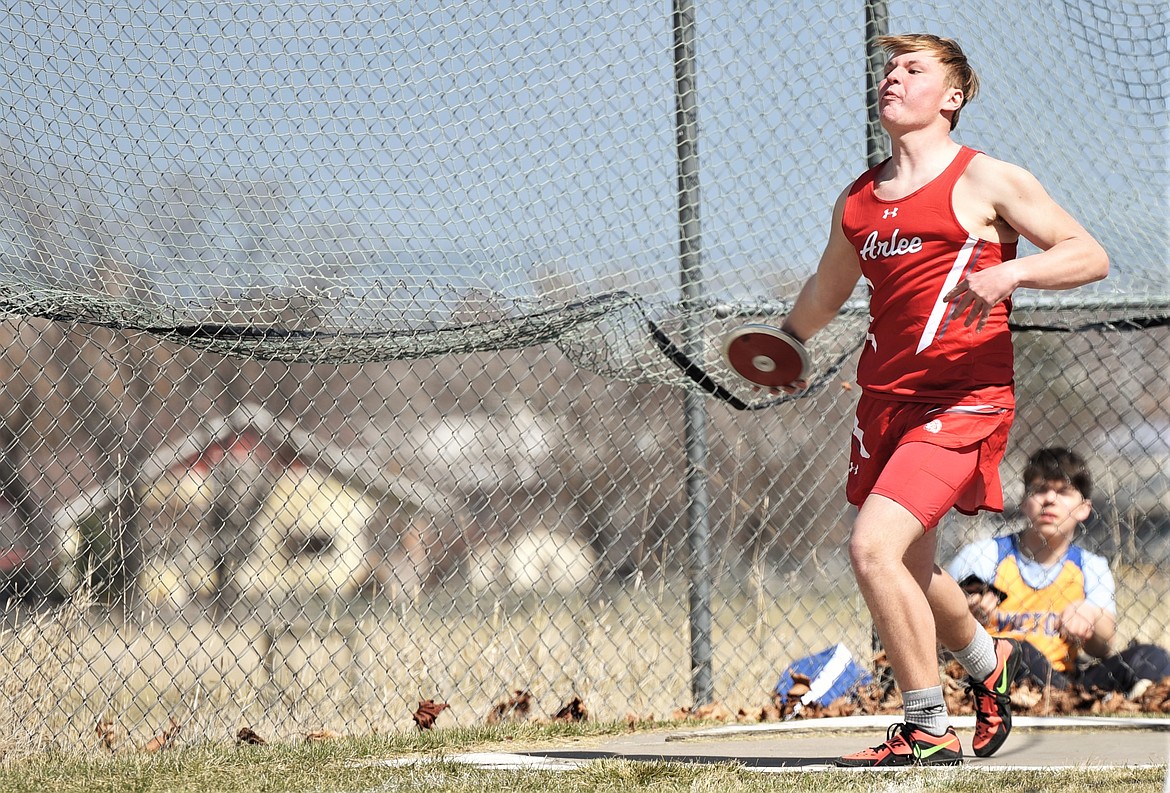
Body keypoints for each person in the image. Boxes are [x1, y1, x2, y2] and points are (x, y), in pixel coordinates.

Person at [776, 34, 1109, 766]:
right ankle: (992, 667)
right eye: (888, 70)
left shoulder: (988, 179)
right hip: (884, 405)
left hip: (964, 398)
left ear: (951, 97)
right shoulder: (859, 200)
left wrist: (1008, 278)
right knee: (914, 572)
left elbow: (1089, 253)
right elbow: (828, 289)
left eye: (913, 70)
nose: (893, 78)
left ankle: (928, 725)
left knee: (871, 548)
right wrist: (786, 344)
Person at [948, 447, 1170, 695]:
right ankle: (1071, 697)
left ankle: (1093, 696)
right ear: (1024, 502)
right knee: (1020, 651)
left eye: (1064, 492)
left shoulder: (1090, 566)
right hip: (997, 675)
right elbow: (937, 635)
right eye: (1040, 490)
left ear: (1084, 508)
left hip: (1066, 678)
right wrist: (962, 618)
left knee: (1153, 657)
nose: (1050, 499)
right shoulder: (983, 556)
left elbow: (1102, 648)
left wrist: (1091, 615)